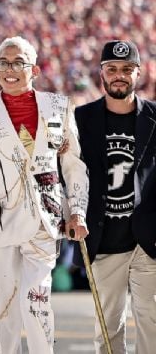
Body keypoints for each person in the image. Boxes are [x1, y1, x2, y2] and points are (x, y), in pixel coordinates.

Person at [0, 36, 89, 354]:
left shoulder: (59, 108)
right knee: (3, 315)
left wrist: (76, 210)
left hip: (44, 223)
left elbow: (74, 166)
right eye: (4, 63)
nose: (10, 70)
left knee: (37, 305)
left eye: (18, 62)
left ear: (34, 69)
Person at [74, 39, 156, 354]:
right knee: (107, 329)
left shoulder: (154, 116)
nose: (118, 75)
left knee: (151, 321)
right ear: (102, 73)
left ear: (139, 73)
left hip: (147, 242)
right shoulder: (81, 119)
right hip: (104, 239)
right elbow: (69, 174)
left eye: (126, 69)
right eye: (112, 69)